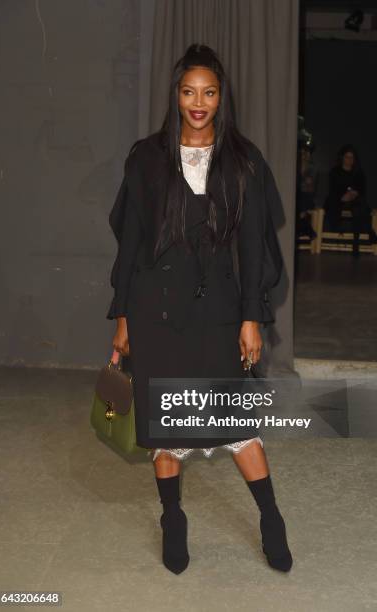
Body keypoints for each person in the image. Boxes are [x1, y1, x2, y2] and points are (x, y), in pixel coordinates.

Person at [106, 44, 292, 575]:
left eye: (209, 93)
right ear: (176, 96)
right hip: (155, 311)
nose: (199, 102)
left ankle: (271, 518)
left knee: (237, 422)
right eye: (189, 92)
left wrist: (252, 317)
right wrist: (122, 317)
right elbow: (132, 242)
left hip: (220, 312)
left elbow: (255, 246)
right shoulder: (145, 158)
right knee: (166, 427)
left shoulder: (244, 160)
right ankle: (172, 519)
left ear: (221, 97)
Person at [325, 144, 377, 256]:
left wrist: (355, 193)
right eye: (347, 157)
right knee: (358, 206)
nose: (349, 160)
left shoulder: (358, 172)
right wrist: (343, 197)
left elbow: (362, 189)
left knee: (358, 206)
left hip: (355, 201)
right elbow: (332, 190)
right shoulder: (335, 172)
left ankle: (356, 243)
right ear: (342, 158)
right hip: (339, 200)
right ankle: (369, 232)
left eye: (352, 157)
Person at [296, 145, 317, 241]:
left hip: (307, 197)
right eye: (302, 153)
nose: (304, 155)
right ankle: (307, 228)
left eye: (306, 153)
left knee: (303, 198)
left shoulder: (312, 168)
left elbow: (310, 188)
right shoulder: (294, 165)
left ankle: (301, 226)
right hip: (296, 197)